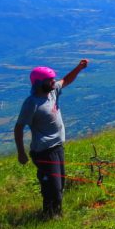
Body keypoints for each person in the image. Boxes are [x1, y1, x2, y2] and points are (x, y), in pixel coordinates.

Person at [14, 59, 89, 218]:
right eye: (50, 80)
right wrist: (21, 153)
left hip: (57, 148)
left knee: (60, 183)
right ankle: (50, 216)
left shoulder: (53, 92)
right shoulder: (31, 103)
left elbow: (66, 80)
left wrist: (79, 67)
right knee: (52, 186)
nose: (54, 81)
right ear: (40, 83)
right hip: (44, 152)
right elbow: (19, 127)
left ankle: (55, 214)